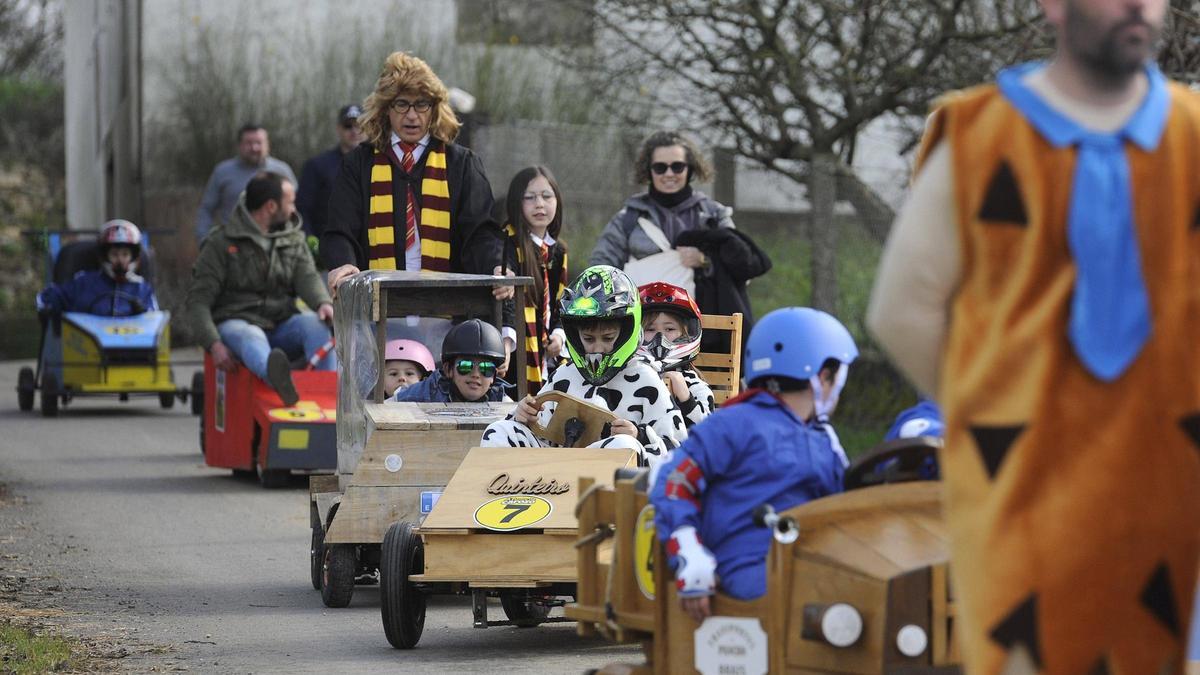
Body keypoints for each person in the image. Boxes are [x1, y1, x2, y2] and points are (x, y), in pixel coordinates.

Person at [866, 0, 1199, 672]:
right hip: (1027, 507)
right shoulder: (978, 135)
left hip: (1170, 502)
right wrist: (995, 419)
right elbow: (903, 311)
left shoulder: (1193, 137)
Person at [650, 307, 857, 623]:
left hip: (812, 564)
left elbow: (846, 502)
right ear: (823, 375)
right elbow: (673, 483)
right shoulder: (733, 424)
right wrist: (690, 556)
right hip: (748, 574)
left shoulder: (823, 437)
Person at [321, 52, 507, 293]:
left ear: (434, 109)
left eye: (421, 104)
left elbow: (481, 232)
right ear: (386, 109)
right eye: (401, 104)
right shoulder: (359, 163)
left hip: (448, 303)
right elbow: (340, 230)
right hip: (377, 301)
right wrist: (343, 263)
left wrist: (496, 266)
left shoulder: (461, 164)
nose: (411, 115)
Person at [480, 266, 686, 467]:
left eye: (608, 338)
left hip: (612, 484)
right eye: (588, 338)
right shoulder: (564, 374)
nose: (597, 348)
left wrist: (638, 435)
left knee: (623, 445)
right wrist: (522, 416)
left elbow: (678, 450)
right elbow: (541, 431)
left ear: (627, 331)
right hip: (554, 474)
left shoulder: (647, 379)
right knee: (499, 430)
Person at [589, 130, 770, 348]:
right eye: (660, 167)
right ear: (648, 170)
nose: (669, 174)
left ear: (690, 168)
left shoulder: (714, 214)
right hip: (640, 339)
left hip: (705, 337)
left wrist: (705, 260)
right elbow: (601, 268)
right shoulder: (628, 218)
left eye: (677, 166)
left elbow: (742, 268)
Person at [185, 172, 334, 407]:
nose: (294, 210)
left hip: (281, 322)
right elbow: (198, 302)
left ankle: (329, 396)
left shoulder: (293, 239)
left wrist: (323, 303)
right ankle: (278, 381)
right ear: (271, 206)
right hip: (236, 323)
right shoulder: (220, 243)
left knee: (315, 324)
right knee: (251, 335)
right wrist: (213, 344)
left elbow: (307, 276)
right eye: (290, 202)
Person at [500, 166, 569, 390]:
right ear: (516, 203)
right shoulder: (507, 242)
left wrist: (558, 335)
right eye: (529, 197)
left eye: (547, 196)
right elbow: (507, 298)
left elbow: (561, 302)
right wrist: (506, 342)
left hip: (546, 353)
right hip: (515, 350)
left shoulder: (558, 250)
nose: (539, 204)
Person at [195, 124, 297, 242]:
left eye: (259, 143)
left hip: (277, 242)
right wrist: (203, 239)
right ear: (239, 145)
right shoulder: (222, 172)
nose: (254, 148)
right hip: (233, 242)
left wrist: (295, 239)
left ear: (267, 144)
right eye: (249, 143)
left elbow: (297, 205)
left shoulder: (282, 171)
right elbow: (206, 209)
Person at [37, 220, 158, 317]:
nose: (120, 260)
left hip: (131, 339)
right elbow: (49, 297)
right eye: (114, 254)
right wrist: (47, 307)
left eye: (125, 254)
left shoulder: (141, 288)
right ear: (105, 256)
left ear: (134, 257)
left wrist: (142, 313)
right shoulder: (84, 283)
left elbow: (153, 319)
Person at [638, 282, 714, 428]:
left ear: (685, 333)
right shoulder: (627, 376)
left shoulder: (694, 384)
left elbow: (708, 431)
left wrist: (686, 399)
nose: (660, 338)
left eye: (669, 329)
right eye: (650, 329)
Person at [391, 319, 507, 403]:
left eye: (486, 368)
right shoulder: (420, 394)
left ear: (493, 376)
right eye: (465, 366)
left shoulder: (502, 402)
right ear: (448, 370)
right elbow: (389, 408)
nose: (476, 375)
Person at [297, 105, 366, 238]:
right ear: (338, 129)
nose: (354, 131)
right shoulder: (317, 166)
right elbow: (303, 208)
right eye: (348, 126)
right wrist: (310, 240)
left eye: (359, 126)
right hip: (329, 242)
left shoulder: (380, 165)